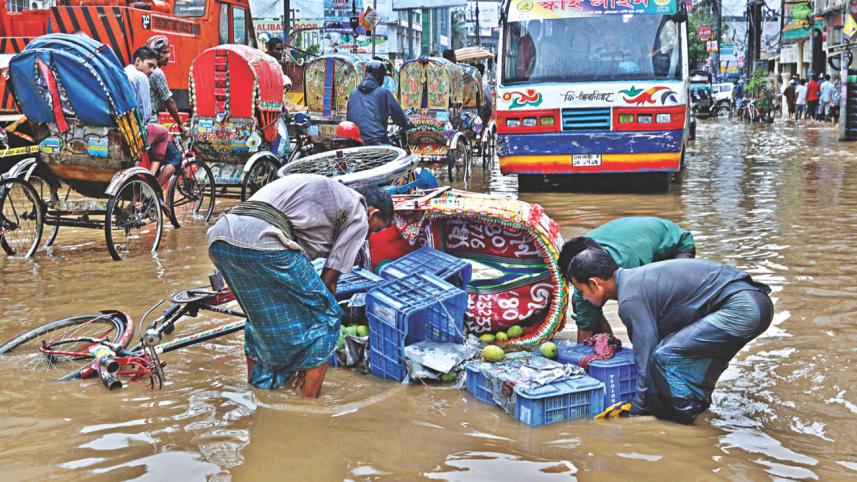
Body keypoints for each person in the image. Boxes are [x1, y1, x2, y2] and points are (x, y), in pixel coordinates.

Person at [206, 174, 393, 396]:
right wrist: (321, 333)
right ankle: (308, 403)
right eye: (377, 229)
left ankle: (259, 393)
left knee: (260, 317)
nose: (370, 235)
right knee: (327, 318)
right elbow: (329, 281)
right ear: (374, 213)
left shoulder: (336, 194)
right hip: (263, 240)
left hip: (219, 238)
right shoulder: (360, 214)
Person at [566, 250, 773, 424]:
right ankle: (701, 413)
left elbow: (646, 358)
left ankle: (688, 424)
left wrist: (637, 411)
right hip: (755, 303)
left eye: (581, 290)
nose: (583, 298)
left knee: (664, 356)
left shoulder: (630, 298)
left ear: (594, 283)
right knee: (676, 355)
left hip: (742, 308)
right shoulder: (634, 281)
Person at [558, 217, 696, 343]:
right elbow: (585, 320)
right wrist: (582, 357)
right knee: (582, 303)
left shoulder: (629, 266)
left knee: (659, 309)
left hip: (674, 246)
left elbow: (641, 313)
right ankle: (608, 345)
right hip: (634, 238)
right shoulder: (581, 264)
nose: (580, 292)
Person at [124, 47, 171, 180]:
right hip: (135, 131)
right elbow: (146, 114)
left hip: (120, 124)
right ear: (138, 61)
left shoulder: (123, 71)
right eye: (150, 65)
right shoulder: (141, 77)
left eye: (154, 67)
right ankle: (151, 176)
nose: (151, 71)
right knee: (163, 133)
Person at [144, 35, 186, 186]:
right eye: (165, 52)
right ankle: (155, 191)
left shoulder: (140, 71)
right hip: (152, 126)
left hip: (142, 125)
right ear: (157, 54)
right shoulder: (157, 73)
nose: (168, 56)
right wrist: (180, 124)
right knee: (175, 158)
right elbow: (169, 101)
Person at [346, 60, 409, 146]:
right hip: (377, 143)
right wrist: (409, 124)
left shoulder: (353, 93)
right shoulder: (384, 93)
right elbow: (400, 119)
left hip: (354, 143)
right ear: (379, 76)